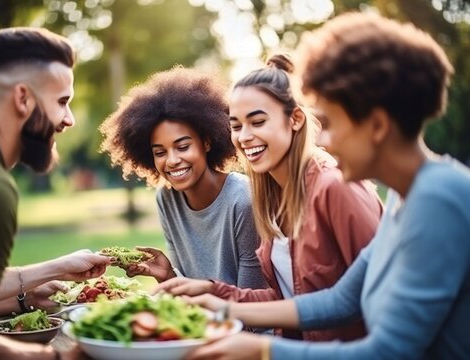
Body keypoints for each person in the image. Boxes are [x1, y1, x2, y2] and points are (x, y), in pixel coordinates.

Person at [178, 12, 470, 360]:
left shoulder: (440, 200)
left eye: (329, 123)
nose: (324, 140)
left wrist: (263, 350)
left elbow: (391, 351)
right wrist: (222, 308)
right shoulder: (403, 198)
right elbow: (341, 300)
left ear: (376, 125)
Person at [156, 54, 383, 342]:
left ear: (296, 119)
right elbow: (285, 296)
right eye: (236, 126)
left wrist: (224, 308)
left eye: (258, 122)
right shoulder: (271, 199)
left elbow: (378, 295)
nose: (244, 136)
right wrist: (211, 291)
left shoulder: (336, 187)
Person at [0, 27, 111, 359]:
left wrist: (52, 271)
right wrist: (60, 357)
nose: (68, 119)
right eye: (62, 102)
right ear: (23, 98)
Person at [99, 67, 266, 291]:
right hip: (201, 322)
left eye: (183, 147)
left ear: (206, 143)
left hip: (244, 324)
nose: (172, 160)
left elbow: (251, 299)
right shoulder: (166, 199)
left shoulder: (243, 200)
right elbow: (187, 294)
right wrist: (168, 275)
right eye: (160, 152)